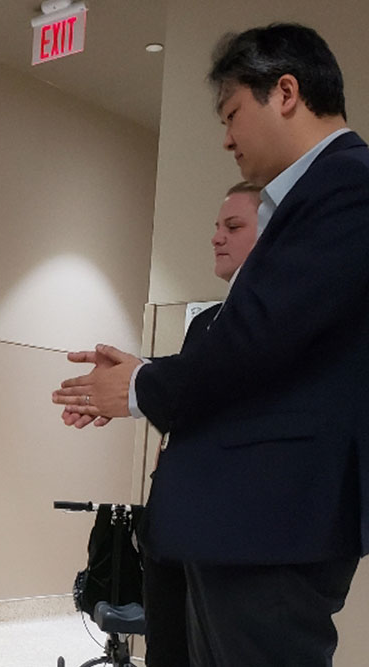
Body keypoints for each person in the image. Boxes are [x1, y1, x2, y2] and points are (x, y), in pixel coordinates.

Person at [52, 23, 368, 666]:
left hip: (271, 521)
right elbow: (272, 352)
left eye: (232, 113)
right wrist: (145, 372)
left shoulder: (346, 183)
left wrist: (140, 387)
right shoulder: (321, 193)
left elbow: (258, 342)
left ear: (285, 92)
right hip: (247, 520)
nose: (226, 137)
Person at [141, 181, 259, 667]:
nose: (216, 237)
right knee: (167, 651)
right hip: (172, 523)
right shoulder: (205, 323)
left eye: (233, 227)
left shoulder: (273, 322)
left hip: (233, 528)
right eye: (216, 226)